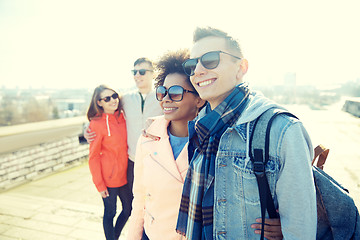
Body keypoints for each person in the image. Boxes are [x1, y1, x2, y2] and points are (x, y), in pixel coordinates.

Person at [175, 27, 317, 239]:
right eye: (192, 64)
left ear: (241, 67)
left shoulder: (281, 129)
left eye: (210, 60)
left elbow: (300, 229)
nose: (197, 71)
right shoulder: (201, 126)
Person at [127, 50, 283, 240]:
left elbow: (240, 198)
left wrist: (281, 222)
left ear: (199, 98)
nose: (166, 98)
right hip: (154, 234)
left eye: (176, 92)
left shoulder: (219, 142)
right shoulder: (147, 138)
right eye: (162, 92)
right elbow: (140, 199)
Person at [85, 58, 163, 194]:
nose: (137, 75)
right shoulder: (125, 99)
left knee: (156, 200)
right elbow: (105, 113)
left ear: (153, 74)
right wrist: (86, 127)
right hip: (132, 161)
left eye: (142, 72)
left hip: (157, 159)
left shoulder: (162, 97)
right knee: (134, 203)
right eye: (135, 72)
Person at [86, 85, 132, 240]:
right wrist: (100, 185)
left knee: (128, 209)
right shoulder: (96, 124)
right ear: (99, 103)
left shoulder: (123, 117)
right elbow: (93, 157)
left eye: (114, 96)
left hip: (125, 175)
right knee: (110, 212)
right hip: (108, 179)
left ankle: (114, 236)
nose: (113, 100)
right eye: (107, 98)